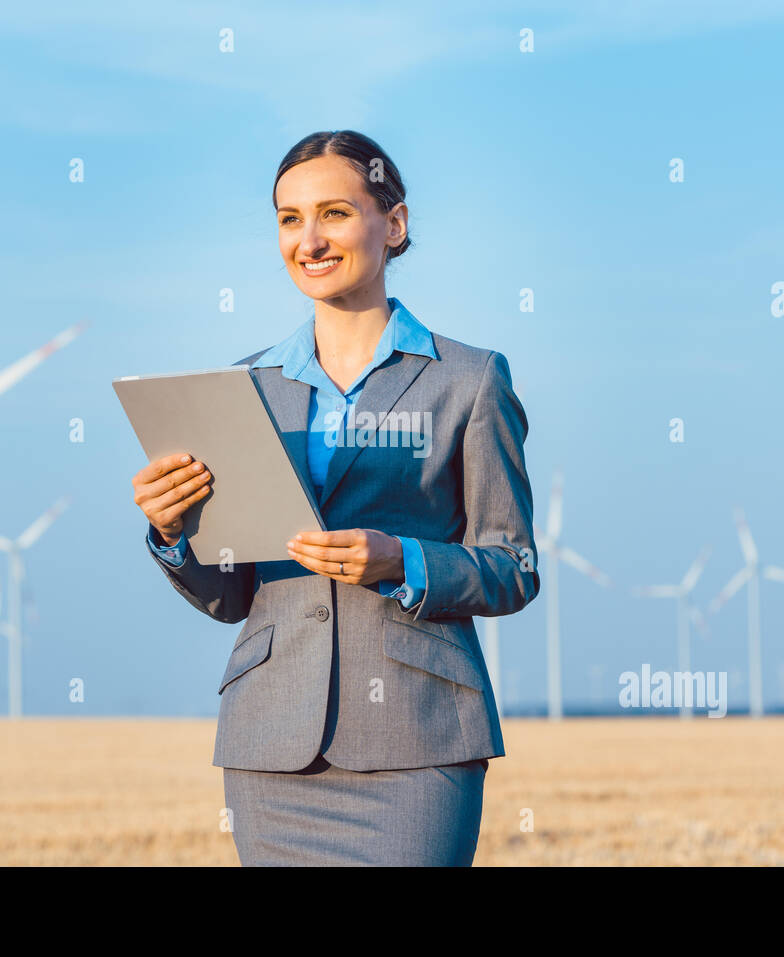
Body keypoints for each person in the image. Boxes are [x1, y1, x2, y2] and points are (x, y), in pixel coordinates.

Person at [131, 130, 540, 865]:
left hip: (419, 742)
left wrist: (404, 560)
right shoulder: (241, 388)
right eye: (289, 219)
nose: (309, 240)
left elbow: (513, 565)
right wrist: (173, 533)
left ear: (395, 224)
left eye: (334, 214)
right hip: (270, 746)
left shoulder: (471, 379)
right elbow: (232, 595)